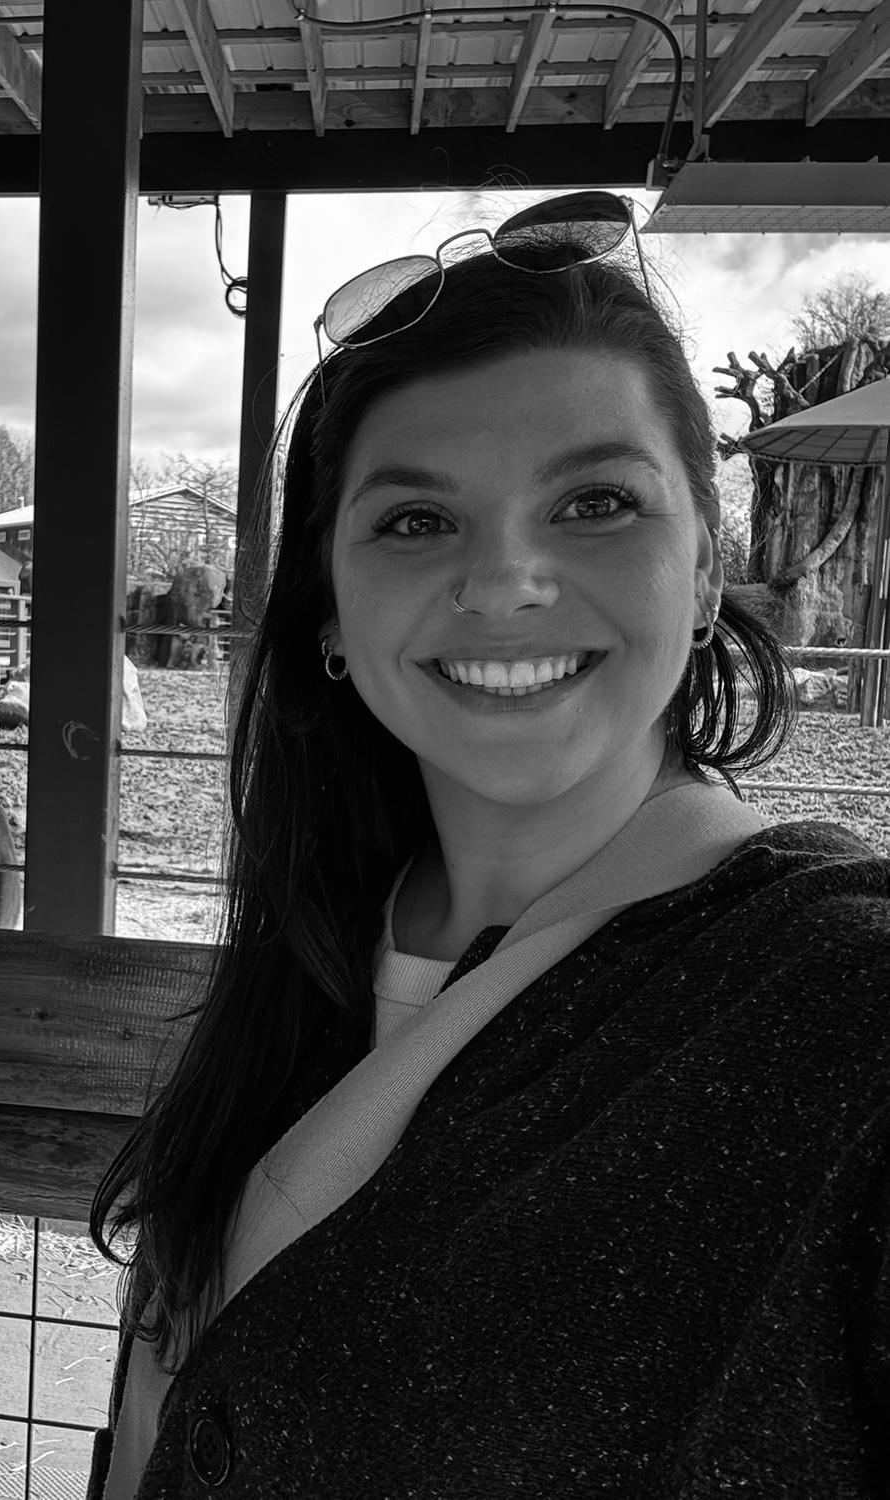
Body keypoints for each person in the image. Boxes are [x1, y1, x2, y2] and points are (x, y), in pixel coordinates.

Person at [88, 193, 890, 1498]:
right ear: (331, 609)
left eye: (596, 503)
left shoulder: (842, 1010)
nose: (507, 580)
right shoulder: (315, 943)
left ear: (703, 571)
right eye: (416, 521)